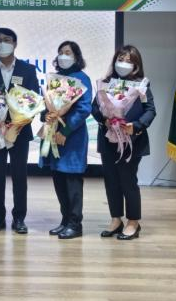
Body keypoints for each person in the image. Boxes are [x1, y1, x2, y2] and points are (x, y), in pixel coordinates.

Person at [0, 28, 40, 234]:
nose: (2, 43)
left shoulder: (28, 69)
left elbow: (35, 98)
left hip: (19, 131)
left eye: (7, 39)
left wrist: (21, 122)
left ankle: (19, 218)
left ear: (15, 43)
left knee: (20, 176)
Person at [92, 45, 156, 240]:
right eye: (121, 59)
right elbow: (95, 108)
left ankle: (133, 222)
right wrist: (104, 119)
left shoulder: (141, 85)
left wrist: (135, 126)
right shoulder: (105, 83)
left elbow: (150, 110)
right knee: (111, 181)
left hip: (132, 141)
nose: (123, 63)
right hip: (108, 139)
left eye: (129, 61)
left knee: (128, 180)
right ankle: (116, 219)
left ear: (136, 65)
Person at [39, 41, 92, 240]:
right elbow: (47, 104)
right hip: (53, 133)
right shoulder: (54, 79)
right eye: (60, 52)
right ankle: (65, 220)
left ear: (76, 57)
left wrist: (66, 130)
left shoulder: (82, 78)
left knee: (72, 180)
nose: (63, 56)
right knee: (59, 179)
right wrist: (46, 115)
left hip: (72, 136)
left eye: (68, 52)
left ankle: (75, 224)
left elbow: (84, 109)